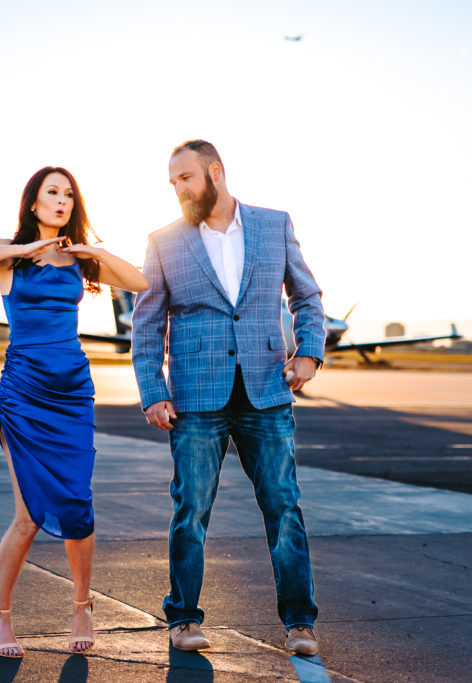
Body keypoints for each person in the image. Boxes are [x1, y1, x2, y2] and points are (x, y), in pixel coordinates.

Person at [131, 140, 326, 655]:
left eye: (186, 178)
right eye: (173, 182)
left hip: (267, 390)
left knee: (284, 507)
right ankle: (184, 619)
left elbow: (306, 296)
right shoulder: (163, 240)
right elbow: (146, 324)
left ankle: (300, 623)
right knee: (190, 510)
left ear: (216, 171)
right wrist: (153, 391)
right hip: (195, 397)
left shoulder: (273, 224)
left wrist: (309, 352)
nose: (179, 189)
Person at [0, 166, 148, 658]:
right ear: (33, 202)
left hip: (72, 391)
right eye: (51, 193)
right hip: (24, 390)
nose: (61, 201)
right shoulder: (8, 256)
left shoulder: (80, 260)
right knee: (29, 515)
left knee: (78, 504)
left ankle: (83, 605)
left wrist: (94, 251)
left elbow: (139, 281)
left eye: (68, 195)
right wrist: (20, 251)